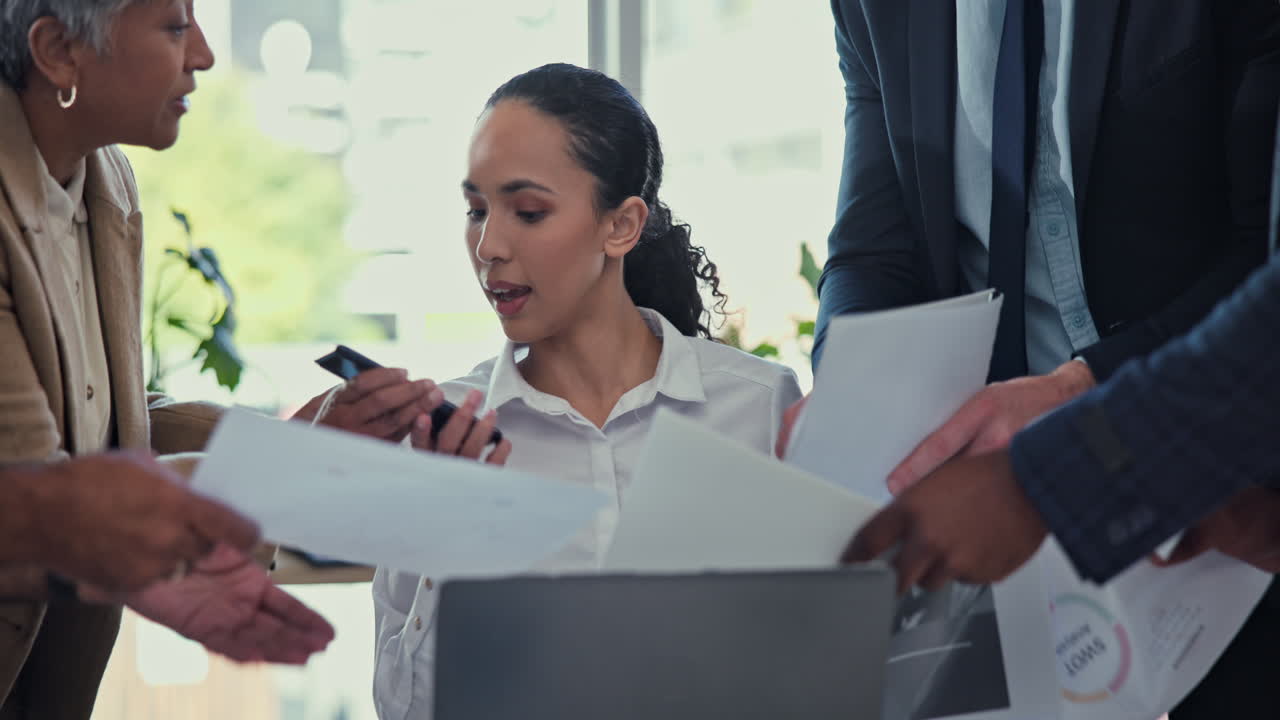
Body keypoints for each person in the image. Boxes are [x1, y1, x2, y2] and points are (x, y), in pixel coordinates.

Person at [779, 2, 1280, 717]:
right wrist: (854, 397)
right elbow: (874, 243)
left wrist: (1071, 419)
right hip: (1003, 547)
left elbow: (1263, 256)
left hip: (1228, 500)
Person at [0, 2, 444, 716]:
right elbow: (46, 489)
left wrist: (291, 447)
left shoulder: (104, 182)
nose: (203, 55)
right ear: (58, 51)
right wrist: (286, 468)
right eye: (175, 28)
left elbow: (101, 420)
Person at [370, 63, 803, 719]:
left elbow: (823, 659)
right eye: (476, 210)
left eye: (528, 211)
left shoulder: (761, 407)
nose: (488, 246)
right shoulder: (442, 438)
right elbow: (404, 710)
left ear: (622, 226)